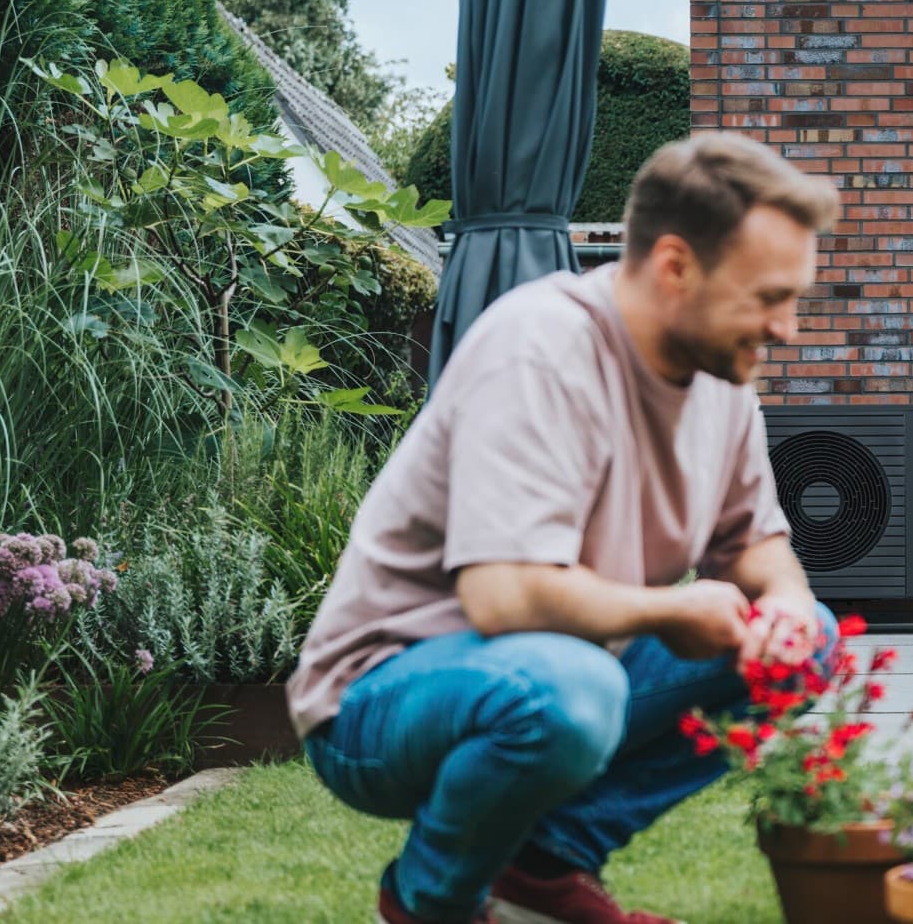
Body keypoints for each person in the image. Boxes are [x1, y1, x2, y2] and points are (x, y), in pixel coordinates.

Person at [285, 132, 844, 924]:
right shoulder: (541, 350)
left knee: (808, 639)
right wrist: (669, 611)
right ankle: (428, 901)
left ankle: (541, 867)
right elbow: (503, 596)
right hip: (378, 701)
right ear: (676, 266)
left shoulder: (722, 381)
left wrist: (783, 603)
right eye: (768, 297)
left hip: (558, 669)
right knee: (570, 690)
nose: (787, 327)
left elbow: (757, 544)